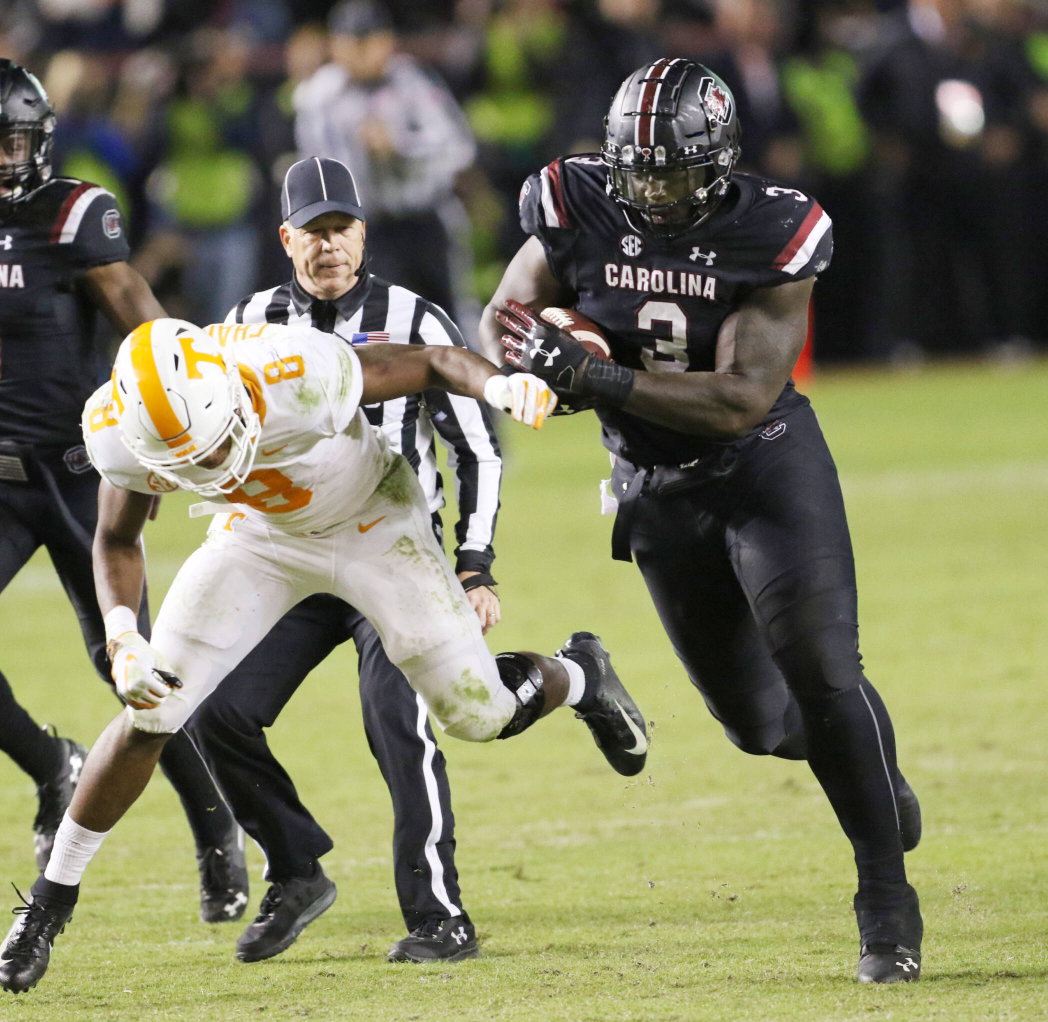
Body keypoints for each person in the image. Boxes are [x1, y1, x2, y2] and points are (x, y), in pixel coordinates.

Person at [0, 316, 650, 994]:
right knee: (153, 709)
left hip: (373, 519)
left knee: (476, 715)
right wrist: (124, 635)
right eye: (188, 463)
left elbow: (432, 359)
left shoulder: (295, 371)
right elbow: (116, 540)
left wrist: (501, 387)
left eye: (215, 448)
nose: (211, 466)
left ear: (231, 396)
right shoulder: (119, 428)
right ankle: (47, 904)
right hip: (258, 537)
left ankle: (578, 675)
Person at [484, 58, 923, 984]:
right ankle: (869, 766)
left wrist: (596, 375)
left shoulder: (773, 227)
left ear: (718, 162)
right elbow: (504, 315)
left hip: (763, 466)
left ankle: (885, 900)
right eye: (636, 169)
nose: (650, 190)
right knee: (761, 725)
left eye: (672, 172)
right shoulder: (573, 200)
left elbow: (738, 396)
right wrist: (536, 365)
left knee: (821, 666)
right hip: (653, 489)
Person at [0, 58, 246, 922]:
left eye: (12, 141)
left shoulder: (72, 218)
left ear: (38, 142)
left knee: (135, 674)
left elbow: (155, 342)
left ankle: (216, 826)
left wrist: (193, 443)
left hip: (85, 476)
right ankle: (52, 765)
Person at [189, 157, 504, 964]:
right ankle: (295, 870)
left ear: (362, 233)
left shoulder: (415, 317)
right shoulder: (249, 320)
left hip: (391, 552)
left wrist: (474, 562)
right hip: (290, 555)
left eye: (341, 229)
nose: (328, 246)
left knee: (399, 722)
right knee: (211, 708)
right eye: (312, 232)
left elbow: (476, 448)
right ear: (285, 238)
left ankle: (440, 917)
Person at [292, 0, 475, 317]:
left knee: (449, 318)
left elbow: (459, 147)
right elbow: (316, 170)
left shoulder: (412, 81)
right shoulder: (320, 95)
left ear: (387, 41)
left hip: (425, 220)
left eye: (369, 40)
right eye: (352, 42)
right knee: (382, 329)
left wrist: (400, 145)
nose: (362, 51)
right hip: (365, 230)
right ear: (334, 45)